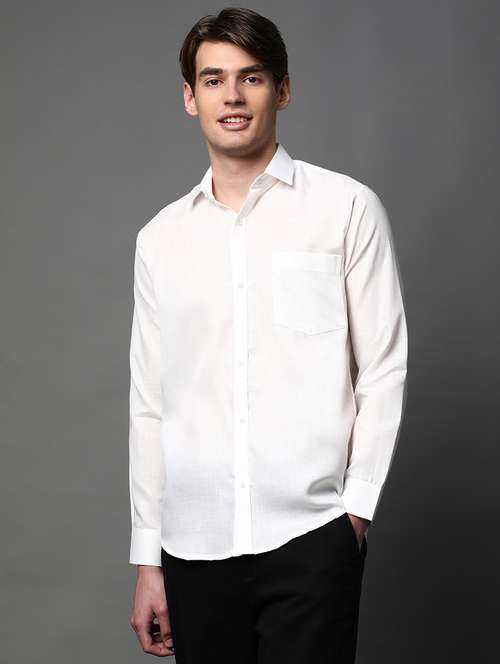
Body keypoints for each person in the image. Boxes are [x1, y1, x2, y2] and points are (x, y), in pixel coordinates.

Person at [128, 7, 408, 663]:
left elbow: (384, 368)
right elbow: (149, 405)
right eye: (214, 79)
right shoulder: (160, 240)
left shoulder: (346, 208)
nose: (232, 95)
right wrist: (148, 558)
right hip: (192, 548)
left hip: (313, 536)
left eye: (250, 77)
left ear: (282, 90)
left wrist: (355, 515)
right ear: (190, 97)